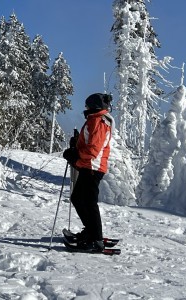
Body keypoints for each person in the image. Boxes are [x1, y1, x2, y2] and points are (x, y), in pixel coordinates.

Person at [62, 93, 114, 250]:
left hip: (92, 167)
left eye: (87, 106)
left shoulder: (97, 121)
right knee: (79, 199)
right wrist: (77, 144)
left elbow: (93, 150)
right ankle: (91, 232)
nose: (85, 108)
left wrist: (74, 155)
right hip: (90, 166)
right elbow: (90, 143)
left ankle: (95, 238)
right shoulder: (96, 120)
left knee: (87, 202)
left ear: (93, 106)